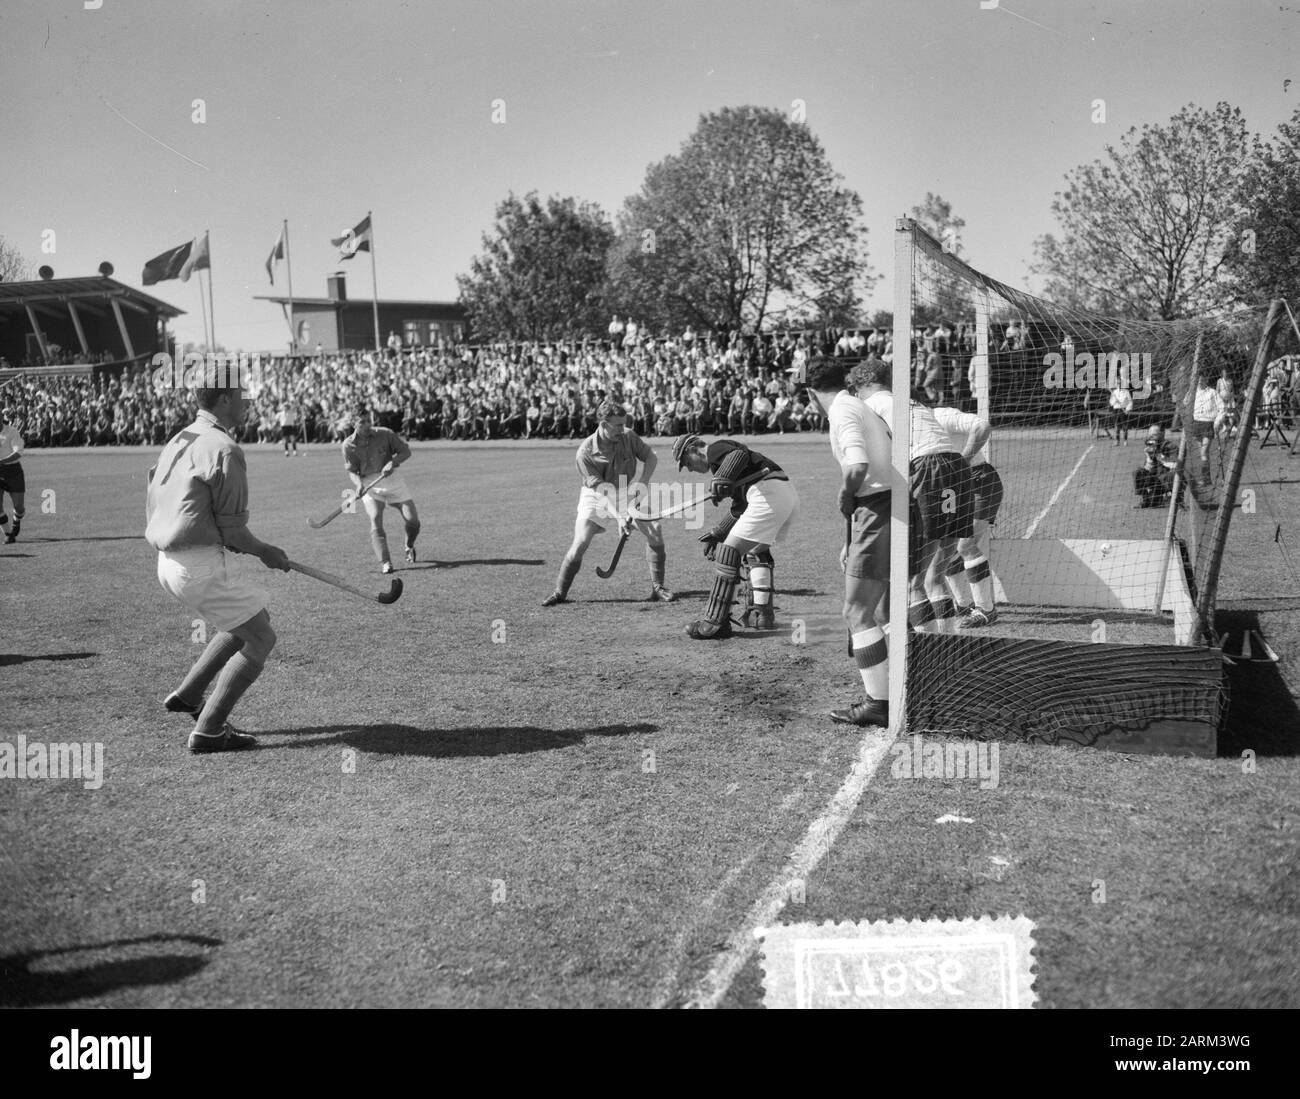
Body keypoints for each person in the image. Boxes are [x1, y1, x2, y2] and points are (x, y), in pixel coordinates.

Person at [145, 384, 290, 753]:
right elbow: (235, 531)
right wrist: (266, 552)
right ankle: (209, 730)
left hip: (167, 561)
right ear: (225, 400)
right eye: (243, 397)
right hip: (196, 564)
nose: (248, 404)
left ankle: (190, 694)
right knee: (261, 638)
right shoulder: (225, 448)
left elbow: (157, 490)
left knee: (252, 620)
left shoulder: (182, 436)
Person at [804, 359, 893, 727]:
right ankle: (897, 685)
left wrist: (845, 495)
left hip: (879, 507)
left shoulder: (840, 410)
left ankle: (879, 703)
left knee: (857, 612)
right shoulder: (855, 404)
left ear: (810, 393)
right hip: (892, 506)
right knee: (883, 610)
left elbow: (856, 466)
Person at [853, 360, 972, 635]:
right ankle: (947, 644)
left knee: (912, 581)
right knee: (935, 575)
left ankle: (924, 656)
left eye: (856, 389)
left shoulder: (870, 405)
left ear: (865, 384)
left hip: (926, 469)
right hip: (956, 467)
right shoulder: (908, 401)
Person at [542, 399, 675, 606]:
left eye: (625, 423)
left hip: (626, 490)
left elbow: (650, 457)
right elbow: (601, 490)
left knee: (655, 531)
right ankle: (560, 593)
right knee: (580, 543)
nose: (624, 428)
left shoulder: (628, 436)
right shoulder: (584, 453)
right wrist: (619, 517)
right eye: (619, 425)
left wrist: (642, 484)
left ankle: (658, 587)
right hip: (595, 496)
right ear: (604, 425)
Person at [672, 432, 798, 638]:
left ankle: (715, 623)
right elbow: (740, 509)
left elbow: (739, 454)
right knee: (755, 549)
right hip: (784, 493)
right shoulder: (726, 469)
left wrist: (722, 477)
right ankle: (761, 613)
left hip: (768, 493)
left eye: (687, 462)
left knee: (729, 551)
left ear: (693, 449)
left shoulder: (714, 450)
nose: (690, 468)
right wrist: (718, 532)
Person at [931, 402, 1001, 629]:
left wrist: (962, 462)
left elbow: (982, 426)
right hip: (949, 489)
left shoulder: (940, 415)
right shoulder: (906, 429)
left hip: (979, 481)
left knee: (966, 546)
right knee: (947, 548)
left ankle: (986, 610)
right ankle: (963, 605)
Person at [341, 405, 422, 574]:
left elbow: (405, 451)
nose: (367, 425)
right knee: (375, 517)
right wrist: (358, 485)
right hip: (369, 483)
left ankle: (408, 545)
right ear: (353, 423)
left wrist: (393, 462)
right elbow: (351, 471)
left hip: (392, 478)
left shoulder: (385, 433)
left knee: (413, 521)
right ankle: (386, 562)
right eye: (362, 422)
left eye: (368, 421)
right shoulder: (348, 445)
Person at [1134, 424, 1179, 508]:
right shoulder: (1151, 447)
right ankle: (1146, 499)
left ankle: (1174, 499)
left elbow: (1175, 465)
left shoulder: (1171, 447)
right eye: (1150, 435)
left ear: (1162, 434)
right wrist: (1148, 457)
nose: (1151, 437)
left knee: (1172, 474)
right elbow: (1148, 468)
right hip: (1156, 480)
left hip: (1166, 479)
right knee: (1138, 472)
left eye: (1154, 435)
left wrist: (1158, 455)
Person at [0, 407, 26, 544]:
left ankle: (17, 521)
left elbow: (18, 453)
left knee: (19, 507)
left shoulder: (12, 431)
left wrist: (1, 461)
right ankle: (9, 534)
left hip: (13, 471)